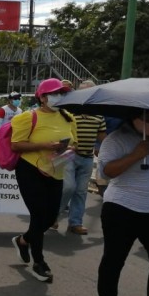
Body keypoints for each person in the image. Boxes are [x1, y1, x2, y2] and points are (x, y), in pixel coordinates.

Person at [10, 78, 76, 283]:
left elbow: (76, 144)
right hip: (30, 170)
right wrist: (47, 145)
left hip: (56, 170)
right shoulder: (28, 118)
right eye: (55, 93)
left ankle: (23, 241)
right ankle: (39, 262)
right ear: (43, 97)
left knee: (49, 218)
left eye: (62, 93)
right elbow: (16, 145)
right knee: (38, 216)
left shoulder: (69, 118)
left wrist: (67, 150)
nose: (59, 97)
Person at [95, 111, 149, 296]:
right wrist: (136, 155)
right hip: (121, 207)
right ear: (137, 119)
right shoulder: (116, 139)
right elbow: (107, 171)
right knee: (114, 258)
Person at [56, 81, 106, 234]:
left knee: (81, 191)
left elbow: (102, 138)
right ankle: (53, 216)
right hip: (69, 156)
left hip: (87, 157)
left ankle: (75, 223)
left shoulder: (99, 116)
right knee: (68, 187)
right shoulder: (67, 113)